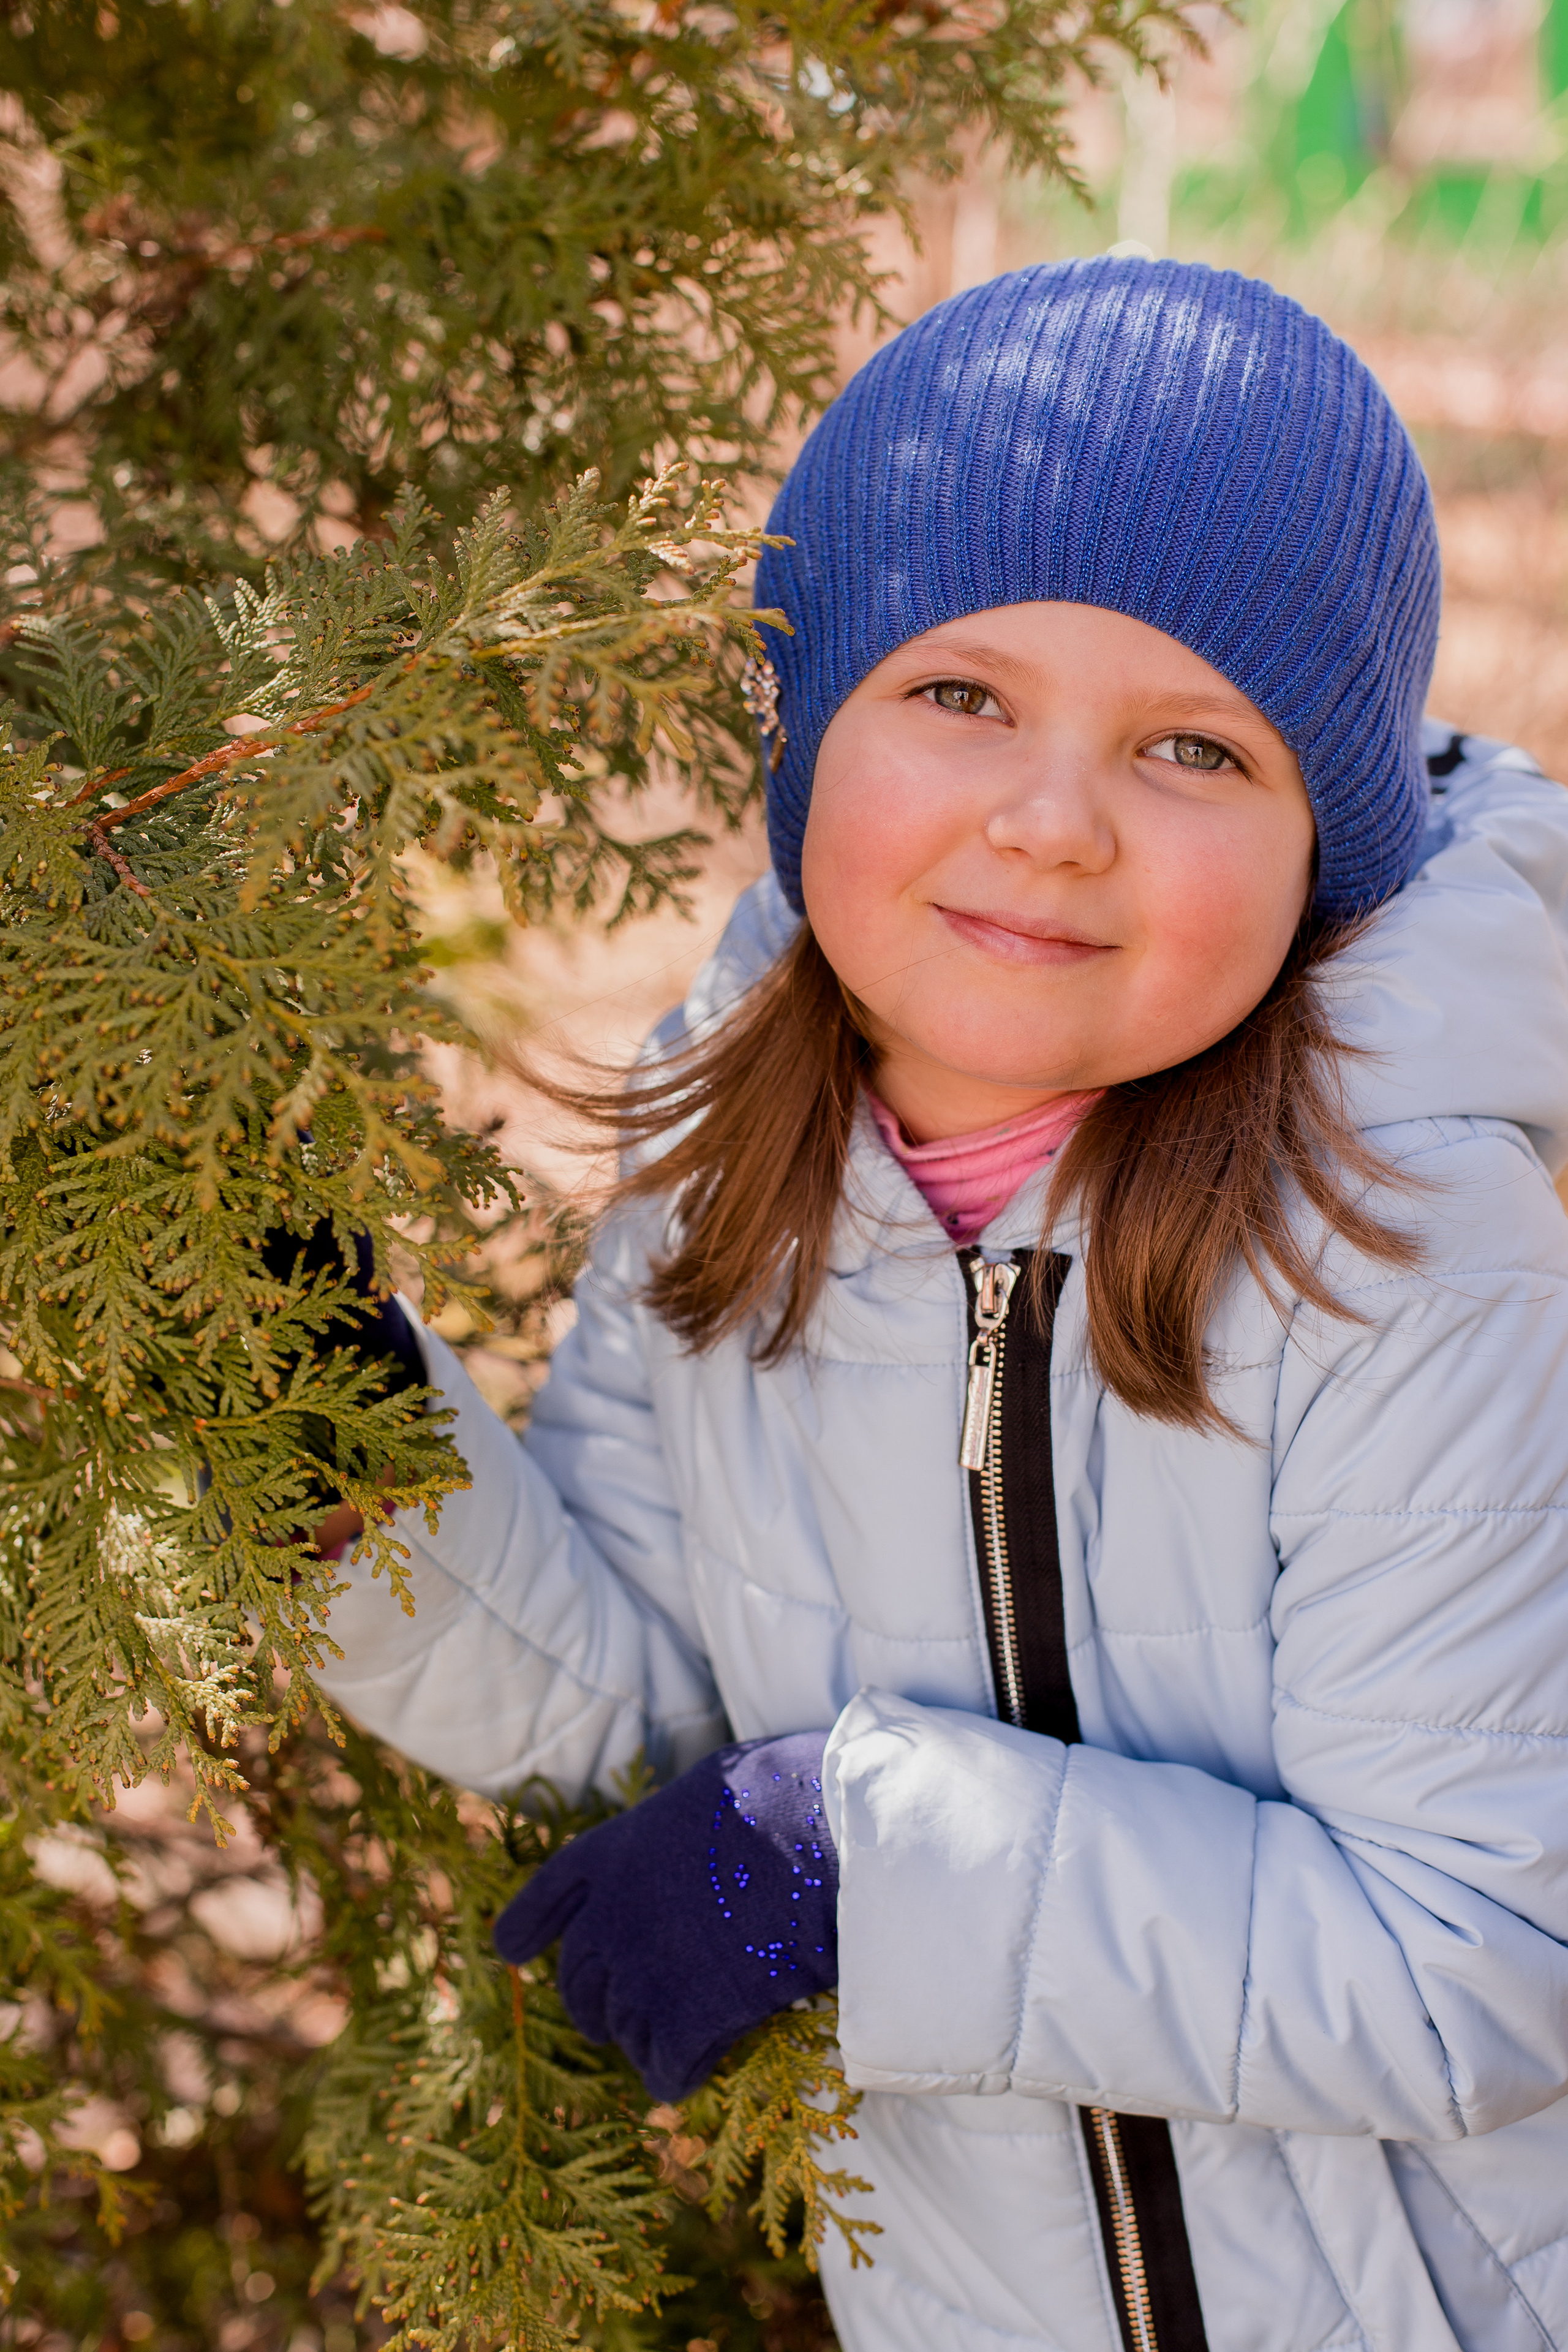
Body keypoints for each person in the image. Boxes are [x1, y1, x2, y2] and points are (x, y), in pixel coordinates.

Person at [315, 258, 1568, 2352]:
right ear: (813, 744)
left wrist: (861, 1862)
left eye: (1193, 746)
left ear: (1324, 854)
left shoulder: (1404, 1253)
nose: (1053, 822)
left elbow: (1476, 1958)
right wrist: (356, 1477)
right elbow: (645, 1706)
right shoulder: (739, 1159)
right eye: (961, 696)